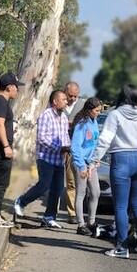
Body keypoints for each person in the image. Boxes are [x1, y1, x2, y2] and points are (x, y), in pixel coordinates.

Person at [91, 84, 137, 259]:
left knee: (121, 206)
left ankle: (122, 247)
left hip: (121, 160)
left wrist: (94, 159)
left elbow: (105, 139)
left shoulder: (115, 115)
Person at [14, 90, 71, 228]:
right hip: (45, 158)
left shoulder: (63, 117)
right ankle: (21, 201)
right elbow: (42, 138)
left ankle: (49, 216)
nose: (66, 101)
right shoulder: (46, 115)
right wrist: (60, 147)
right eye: (63, 99)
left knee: (57, 189)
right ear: (55, 101)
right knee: (44, 185)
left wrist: (69, 146)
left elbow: (64, 136)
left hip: (59, 159)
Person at [0, 73, 24, 228]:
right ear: (9, 87)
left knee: (0, 181)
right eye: (16, 87)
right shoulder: (1, 102)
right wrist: (5, 146)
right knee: (1, 182)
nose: (18, 90)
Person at [70, 97, 103, 236]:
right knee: (81, 193)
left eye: (100, 111)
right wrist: (82, 166)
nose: (98, 113)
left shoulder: (94, 122)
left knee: (96, 192)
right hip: (80, 163)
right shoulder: (81, 125)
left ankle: (91, 221)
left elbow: (95, 143)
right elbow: (75, 147)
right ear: (89, 110)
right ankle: (80, 224)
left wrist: (95, 160)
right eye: (96, 111)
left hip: (91, 164)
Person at [62, 81, 85, 224]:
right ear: (65, 92)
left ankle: (72, 213)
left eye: (75, 96)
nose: (72, 99)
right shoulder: (58, 102)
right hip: (58, 147)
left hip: (73, 149)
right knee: (54, 181)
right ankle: (50, 212)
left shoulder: (81, 106)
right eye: (70, 95)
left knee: (72, 183)